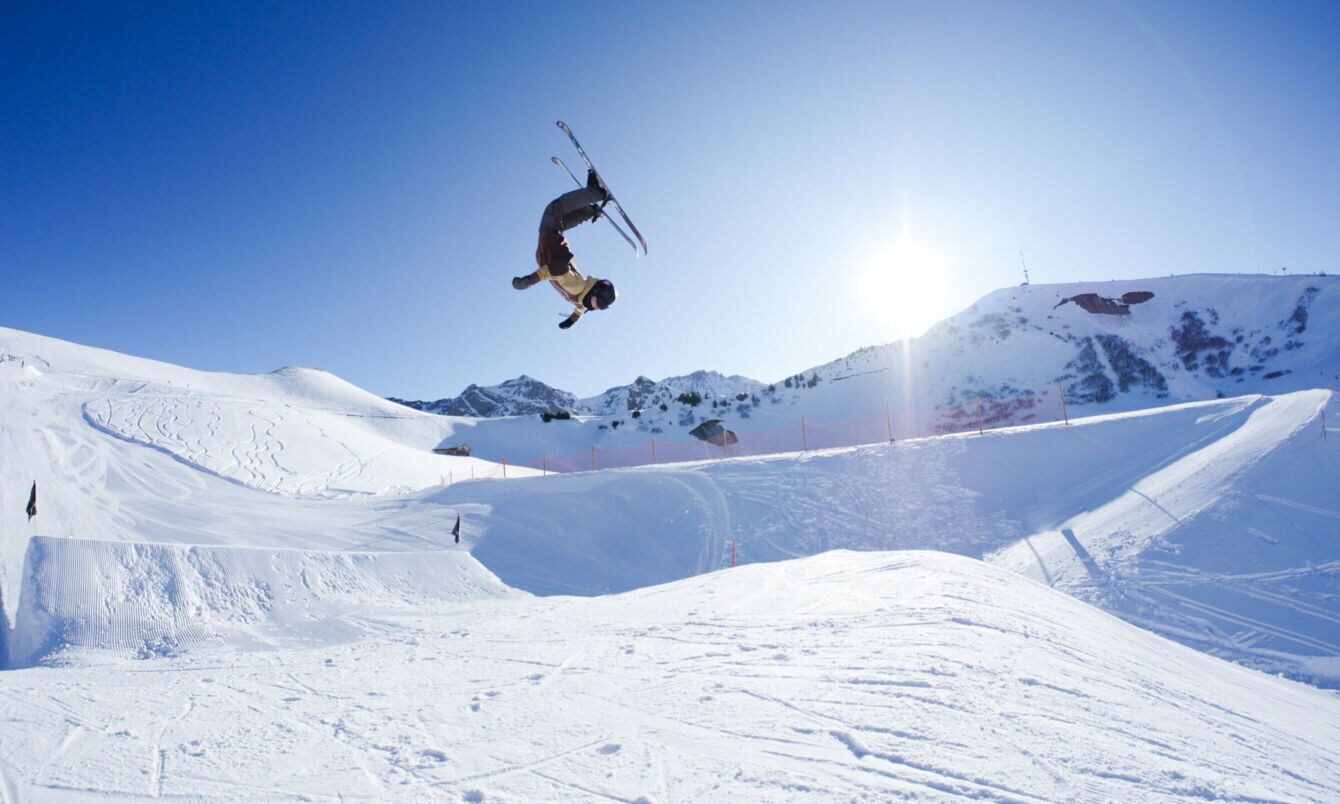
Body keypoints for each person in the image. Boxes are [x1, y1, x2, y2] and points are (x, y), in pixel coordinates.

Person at [512, 169, 618, 329]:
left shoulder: (583, 299)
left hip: (549, 247)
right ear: (595, 293)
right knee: (554, 210)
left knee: (559, 220)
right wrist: (529, 281)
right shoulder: (577, 286)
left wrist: (571, 321)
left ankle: (592, 207)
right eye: (600, 305)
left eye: (601, 308)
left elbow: (580, 310)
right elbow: (554, 270)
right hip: (551, 244)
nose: (596, 309)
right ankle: (596, 193)